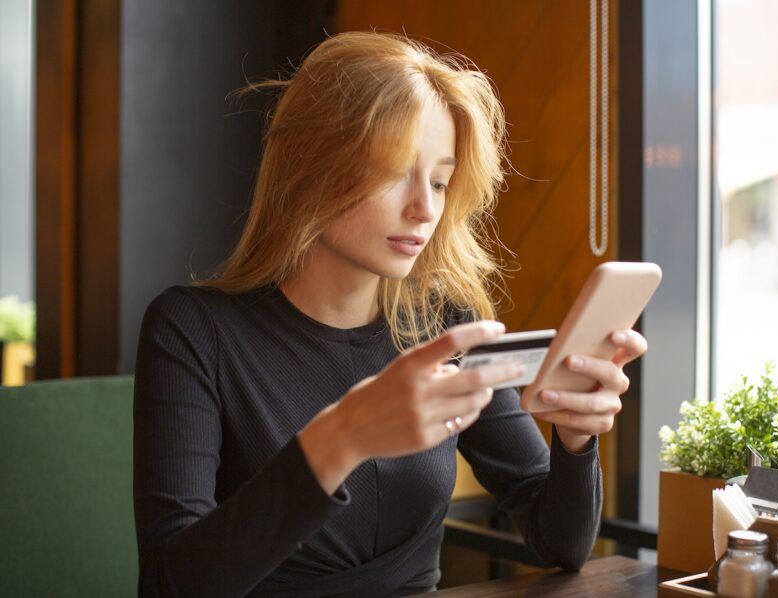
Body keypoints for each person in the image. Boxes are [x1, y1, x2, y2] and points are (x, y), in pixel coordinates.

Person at [132, 31, 647, 598]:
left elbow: (562, 545)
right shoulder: (193, 331)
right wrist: (343, 436)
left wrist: (574, 441)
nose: (425, 208)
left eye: (441, 181)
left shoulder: (446, 324)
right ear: (312, 165)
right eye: (395, 171)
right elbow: (169, 585)